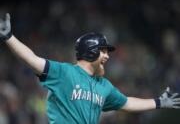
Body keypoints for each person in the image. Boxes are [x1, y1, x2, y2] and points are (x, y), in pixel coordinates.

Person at [0, 13, 180, 124]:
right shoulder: (64, 73)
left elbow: (127, 103)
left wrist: (158, 102)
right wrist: (9, 37)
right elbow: (30, 58)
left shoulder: (105, 86)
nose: (107, 56)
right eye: (103, 51)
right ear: (91, 52)